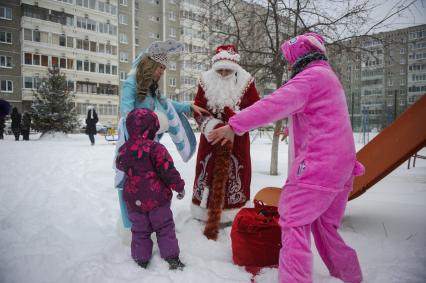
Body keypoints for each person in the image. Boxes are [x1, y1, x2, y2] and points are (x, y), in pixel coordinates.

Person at [209, 33, 363, 283]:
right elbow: (325, 117)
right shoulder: (327, 77)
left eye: (291, 60)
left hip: (317, 167)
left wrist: (234, 125)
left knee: (293, 222)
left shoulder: (309, 78)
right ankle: (350, 276)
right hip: (342, 167)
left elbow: (272, 104)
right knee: (325, 228)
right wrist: (293, 128)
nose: (290, 65)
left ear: (300, 57)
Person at [116, 39, 209, 229]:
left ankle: (150, 223)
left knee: (149, 186)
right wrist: (136, 139)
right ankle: (130, 227)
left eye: (164, 69)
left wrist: (189, 107)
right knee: (128, 184)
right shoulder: (131, 84)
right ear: (150, 64)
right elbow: (126, 116)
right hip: (132, 146)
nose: (162, 72)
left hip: (151, 147)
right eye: (160, 68)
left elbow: (166, 105)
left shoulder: (152, 89)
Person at [191, 44, 260, 240]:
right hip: (211, 140)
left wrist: (235, 122)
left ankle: (233, 211)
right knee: (208, 172)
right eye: (219, 70)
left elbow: (256, 112)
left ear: (235, 68)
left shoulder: (247, 82)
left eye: (227, 70)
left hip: (237, 141)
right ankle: (204, 211)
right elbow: (197, 110)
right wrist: (211, 126)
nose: (223, 73)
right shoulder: (205, 81)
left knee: (236, 173)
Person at [116, 108, 186, 270]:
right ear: (152, 127)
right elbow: (168, 171)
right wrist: (179, 187)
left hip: (134, 200)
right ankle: (172, 258)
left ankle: (141, 259)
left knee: (139, 230)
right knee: (164, 227)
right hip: (157, 199)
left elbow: (119, 165)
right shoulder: (156, 149)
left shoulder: (124, 150)